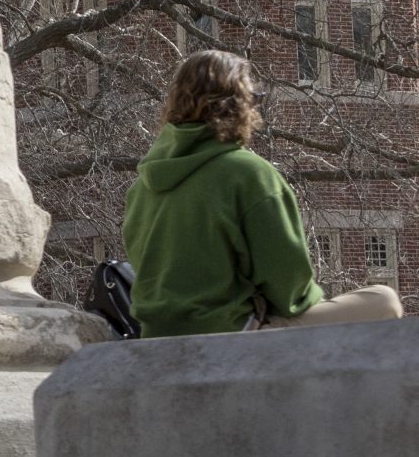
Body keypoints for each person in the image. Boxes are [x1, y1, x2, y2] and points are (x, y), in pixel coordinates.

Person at [122, 50, 407, 338]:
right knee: (384, 301)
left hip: (156, 340)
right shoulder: (247, 173)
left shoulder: (141, 188)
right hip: (231, 338)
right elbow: (291, 292)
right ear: (239, 105)